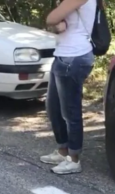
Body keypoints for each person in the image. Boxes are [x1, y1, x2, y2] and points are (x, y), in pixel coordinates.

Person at [40, 0, 96, 174]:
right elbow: (59, 25)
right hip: (63, 55)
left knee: (70, 112)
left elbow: (51, 18)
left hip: (75, 57)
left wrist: (55, 18)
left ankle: (73, 159)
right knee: (53, 108)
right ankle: (63, 150)